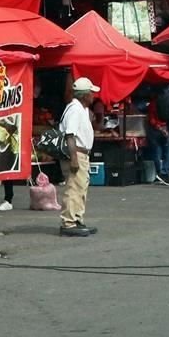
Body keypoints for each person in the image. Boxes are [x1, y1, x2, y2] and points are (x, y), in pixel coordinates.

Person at [59, 77, 101, 237]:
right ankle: (69, 222)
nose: (93, 95)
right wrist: (74, 158)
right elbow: (70, 134)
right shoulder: (75, 109)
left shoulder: (80, 109)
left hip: (82, 153)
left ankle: (77, 219)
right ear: (84, 95)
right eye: (91, 92)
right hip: (76, 153)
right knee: (74, 188)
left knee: (80, 187)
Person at [144, 89, 169, 184]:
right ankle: (166, 171)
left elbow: (151, 119)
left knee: (157, 151)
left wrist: (158, 128)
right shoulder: (166, 102)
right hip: (165, 127)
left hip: (155, 130)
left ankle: (159, 172)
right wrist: (164, 129)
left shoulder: (152, 104)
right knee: (167, 151)